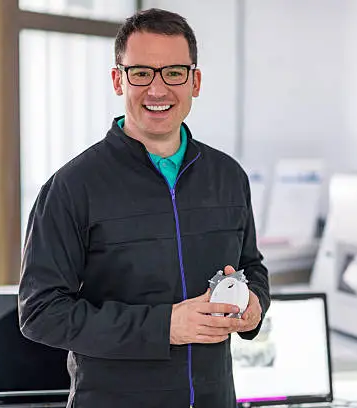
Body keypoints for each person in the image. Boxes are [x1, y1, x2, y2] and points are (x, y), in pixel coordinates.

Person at [17, 8, 270, 408]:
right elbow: (41, 313)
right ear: (118, 79)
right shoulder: (72, 187)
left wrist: (255, 302)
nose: (158, 90)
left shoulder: (228, 176)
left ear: (195, 81)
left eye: (173, 72)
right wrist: (164, 326)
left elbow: (252, 267)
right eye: (141, 73)